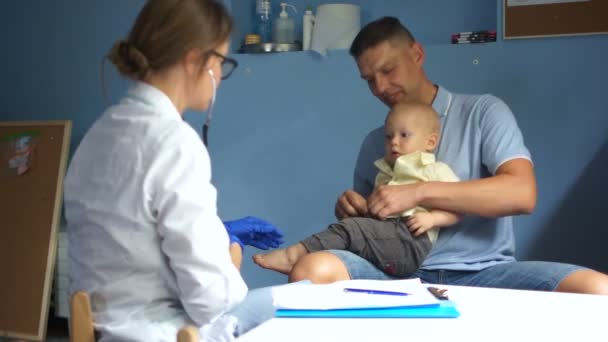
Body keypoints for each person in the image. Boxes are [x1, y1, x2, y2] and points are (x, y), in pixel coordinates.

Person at [285, 16, 608, 294]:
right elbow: (377, 228)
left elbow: (522, 194)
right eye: (369, 79)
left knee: (597, 289)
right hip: (396, 274)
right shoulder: (375, 142)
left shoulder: (483, 112)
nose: (381, 86)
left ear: (417, 54)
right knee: (312, 269)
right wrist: (354, 210)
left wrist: (420, 191)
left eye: (388, 70)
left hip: (485, 273)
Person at [63, 1, 286, 341]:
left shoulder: (98, 134)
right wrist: (230, 256)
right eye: (220, 63)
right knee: (291, 310)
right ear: (194, 60)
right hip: (161, 333)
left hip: (104, 331)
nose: (219, 79)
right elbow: (211, 300)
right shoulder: (174, 142)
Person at [254, 102, 460, 278]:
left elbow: (457, 208)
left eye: (404, 135)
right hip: (388, 237)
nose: (394, 142)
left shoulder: (434, 169)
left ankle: (294, 255)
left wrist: (432, 219)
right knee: (348, 228)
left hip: (411, 242)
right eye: (389, 137)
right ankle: (312, 259)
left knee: (350, 230)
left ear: (431, 141)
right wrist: (365, 207)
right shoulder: (386, 172)